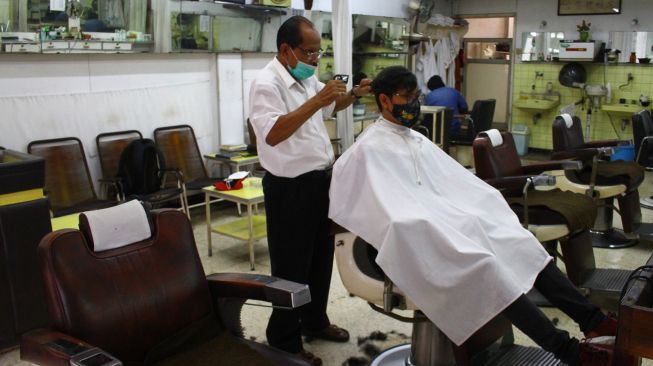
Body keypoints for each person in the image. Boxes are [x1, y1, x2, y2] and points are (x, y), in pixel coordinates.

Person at [328, 66, 617, 366]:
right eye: (407, 97)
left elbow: (450, 184)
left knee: (519, 241)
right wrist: (420, 218)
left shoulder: (415, 139)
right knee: (486, 266)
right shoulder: (366, 149)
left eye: (416, 95)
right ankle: (568, 351)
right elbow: (365, 205)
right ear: (385, 101)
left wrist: (477, 206)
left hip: (448, 224)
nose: (414, 103)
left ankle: (592, 319)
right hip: (419, 239)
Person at [248, 15, 372, 366]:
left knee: (320, 258)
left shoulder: (306, 76)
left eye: (319, 52)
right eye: (309, 52)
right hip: (290, 188)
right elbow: (272, 133)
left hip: (321, 181)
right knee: (291, 266)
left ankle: (314, 321)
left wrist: (352, 95)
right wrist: (316, 102)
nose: (315, 59)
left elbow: (331, 105)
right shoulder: (266, 84)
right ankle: (284, 340)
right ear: (286, 49)